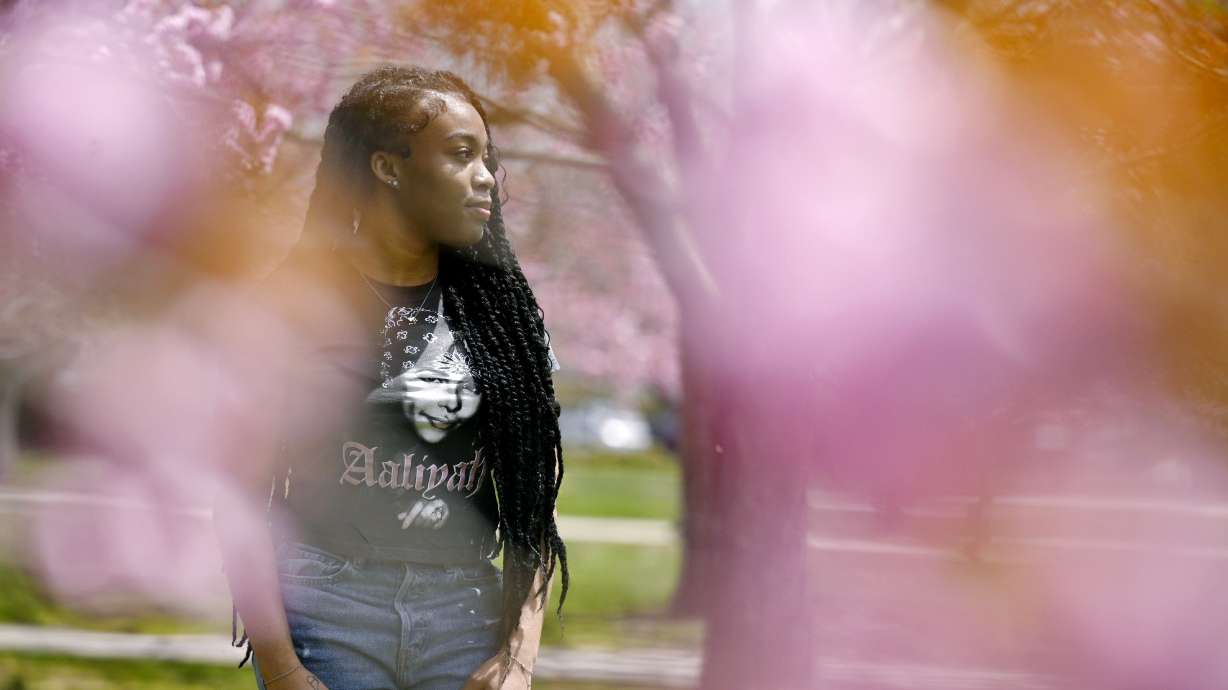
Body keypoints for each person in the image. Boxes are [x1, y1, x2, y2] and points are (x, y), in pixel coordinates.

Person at [212, 65, 568, 690]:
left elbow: (535, 503)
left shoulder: (501, 317)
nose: (486, 177)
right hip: (328, 614)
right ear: (387, 167)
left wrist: (518, 654)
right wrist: (282, 665)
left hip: (466, 618)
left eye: (487, 158)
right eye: (462, 155)